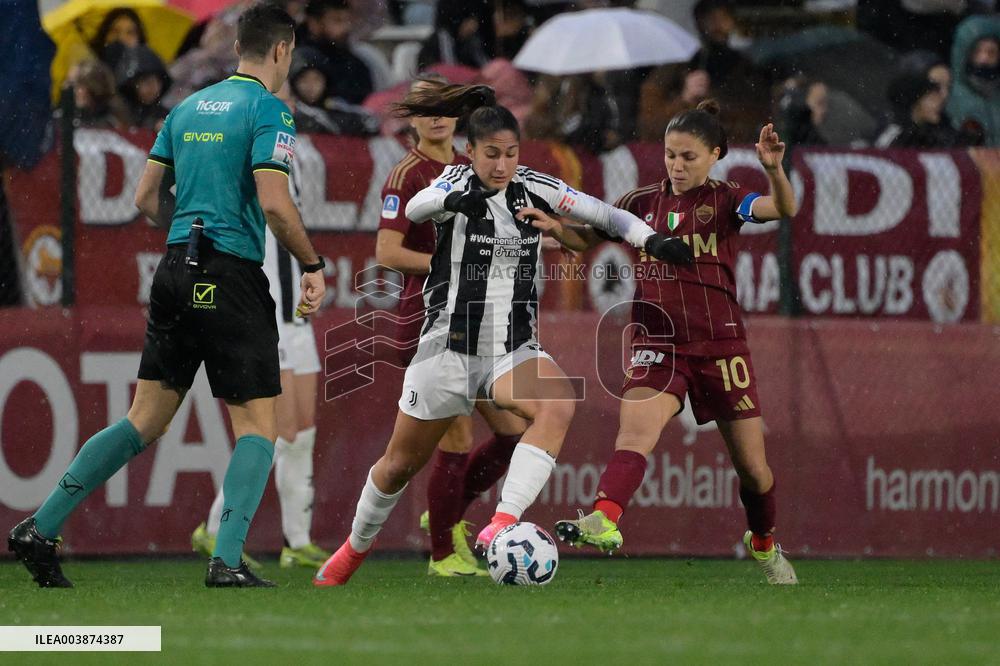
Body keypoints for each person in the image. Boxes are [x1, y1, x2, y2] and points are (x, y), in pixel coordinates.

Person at [313, 82, 694, 587]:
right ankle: (352, 551)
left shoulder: (534, 186)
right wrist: (459, 193)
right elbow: (414, 211)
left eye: (510, 154)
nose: (501, 165)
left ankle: (500, 525)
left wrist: (653, 240)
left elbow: (608, 215)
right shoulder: (449, 182)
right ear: (471, 153)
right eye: (491, 154)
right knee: (398, 465)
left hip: (510, 348)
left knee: (557, 405)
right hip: (447, 346)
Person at [7, 3, 326, 588]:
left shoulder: (186, 108)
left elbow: (147, 199)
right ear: (282, 51)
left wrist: (191, 230)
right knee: (259, 423)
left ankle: (40, 526)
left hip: (176, 268)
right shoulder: (269, 111)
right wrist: (311, 263)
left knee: (143, 418)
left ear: (236, 48)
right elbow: (276, 204)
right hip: (230, 274)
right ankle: (226, 559)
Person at [553, 99, 800, 585]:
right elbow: (589, 237)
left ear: (715, 156)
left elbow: (783, 208)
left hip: (721, 346)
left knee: (754, 471)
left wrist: (774, 170)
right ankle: (604, 519)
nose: (677, 165)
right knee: (635, 436)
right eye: (670, 155)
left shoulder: (729, 199)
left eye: (689, 156)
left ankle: (764, 541)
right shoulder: (640, 202)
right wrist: (553, 228)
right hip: (658, 340)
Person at [375, 75, 527, 577]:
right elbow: (387, 253)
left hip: (480, 319)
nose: (438, 116)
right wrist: (450, 264)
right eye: (427, 108)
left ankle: (446, 518)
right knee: (455, 440)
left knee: (513, 432)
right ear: (412, 117)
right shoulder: (406, 176)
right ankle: (441, 554)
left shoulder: (477, 165)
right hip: (430, 318)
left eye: (446, 107)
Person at [191, 81, 331, 571]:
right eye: (279, 99)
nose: (287, 108)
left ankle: (297, 539)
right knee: (273, 429)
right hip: (264, 312)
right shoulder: (251, 153)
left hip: (297, 316)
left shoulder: (295, 157)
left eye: (290, 100)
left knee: (302, 432)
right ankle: (214, 527)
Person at [946, 16, 1000, 146]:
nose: (984, 59)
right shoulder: (947, 95)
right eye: (977, 51)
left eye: (991, 52)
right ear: (964, 54)